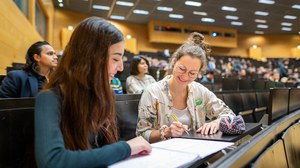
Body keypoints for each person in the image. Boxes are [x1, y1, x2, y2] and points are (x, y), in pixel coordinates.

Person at [35, 17, 151, 168]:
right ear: (91, 58)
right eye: (116, 59)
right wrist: (127, 148)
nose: (121, 67)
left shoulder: (104, 96)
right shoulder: (49, 98)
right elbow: (52, 161)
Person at [136, 32, 235, 143]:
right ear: (174, 62)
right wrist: (166, 132)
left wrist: (216, 123)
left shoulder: (200, 91)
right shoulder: (152, 92)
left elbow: (229, 114)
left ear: (198, 73)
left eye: (192, 73)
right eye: (182, 69)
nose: (185, 77)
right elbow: (141, 134)